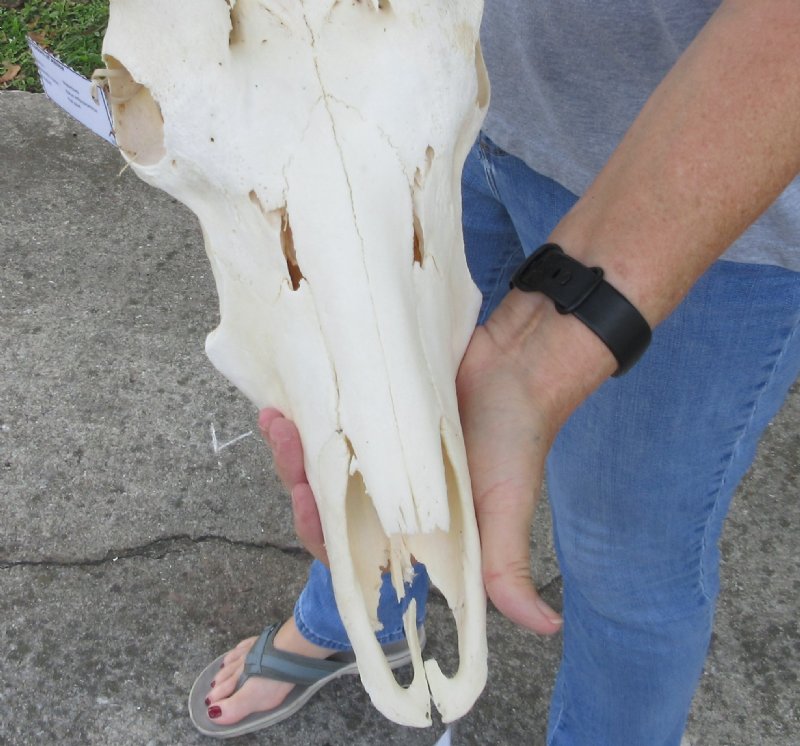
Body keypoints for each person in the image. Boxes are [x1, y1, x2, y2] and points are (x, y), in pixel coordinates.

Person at [191, 1, 800, 743]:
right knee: (374, 437)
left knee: (625, 559)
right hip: (433, 92)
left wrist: (548, 345)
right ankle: (355, 615)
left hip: (723, 175)